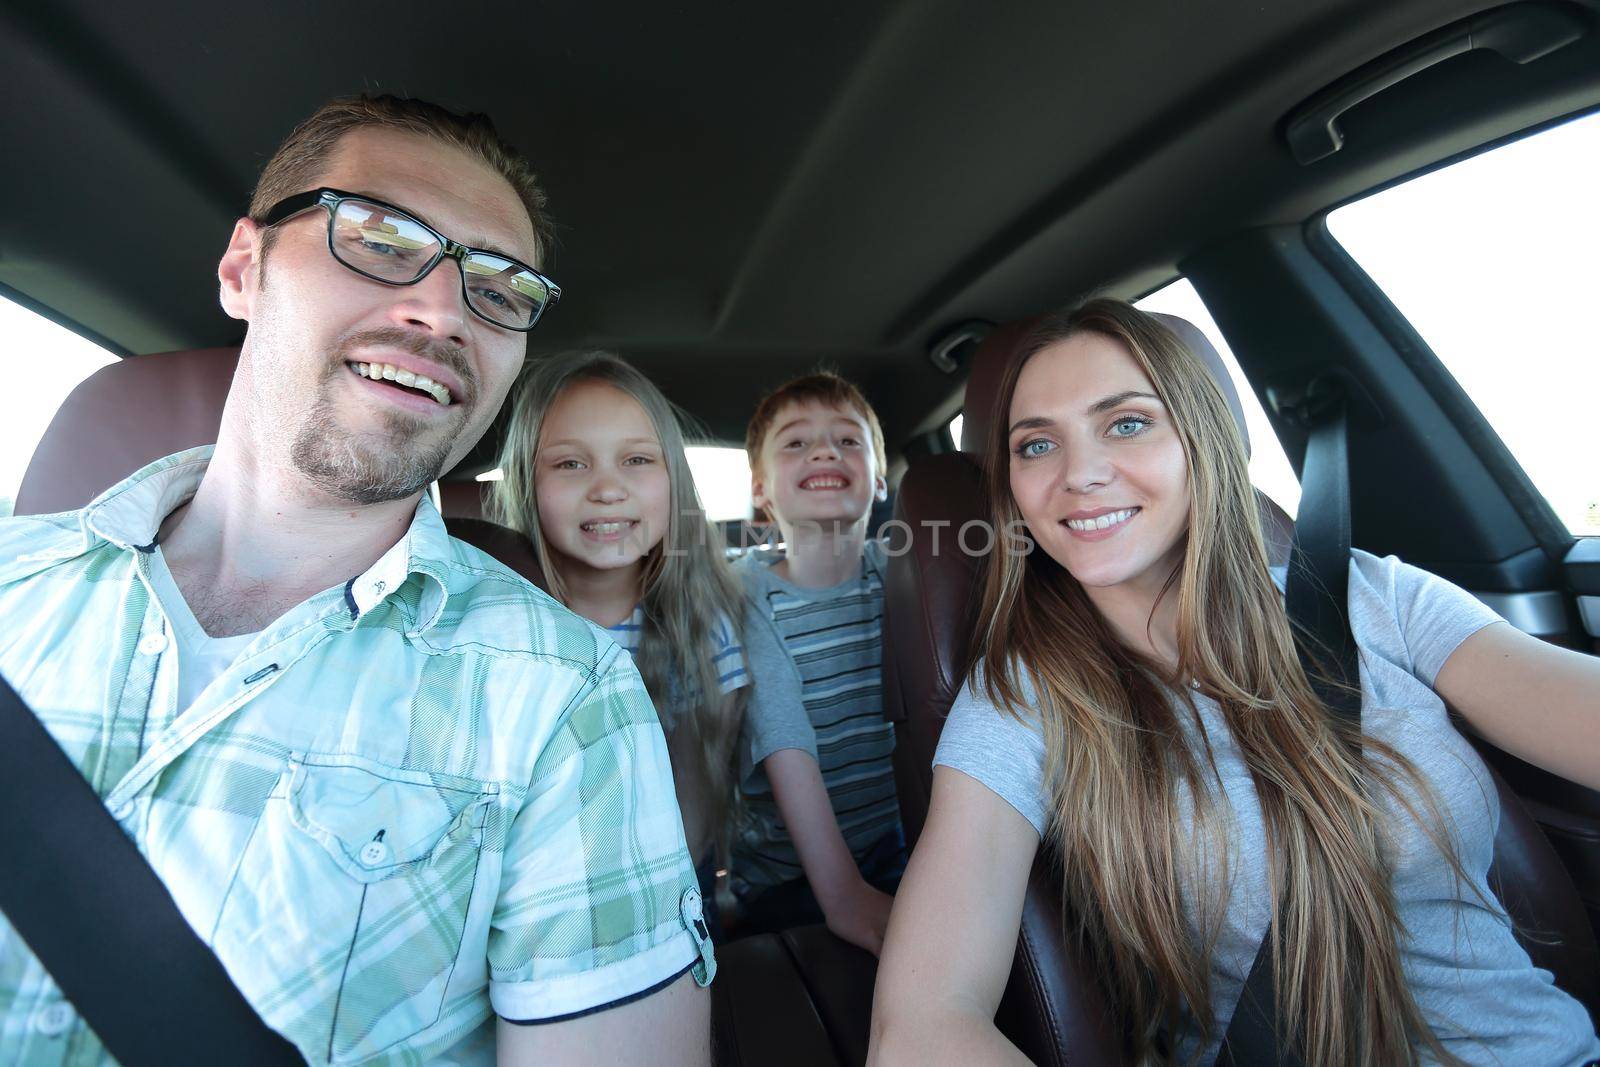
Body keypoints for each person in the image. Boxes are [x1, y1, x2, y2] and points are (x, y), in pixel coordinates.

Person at [0, 96, 713, 1066]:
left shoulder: (562, 698)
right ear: (244, 267)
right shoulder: (17, 581)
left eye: (500, 289)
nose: (441, 309)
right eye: (378, 238)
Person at [869, 299, 1600, 1064]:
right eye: (1036, 445)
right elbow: (920, 1024)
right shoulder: (1021, 699)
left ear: (1204, 438)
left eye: (1125, 423)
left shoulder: (1376, 599)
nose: (1078, 474)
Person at [490, 349, 754, 935]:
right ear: (527, 484)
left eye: (636, 459)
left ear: (674, 481)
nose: (608, 489)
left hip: (669, 890)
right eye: (570, 464)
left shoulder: (700, 628)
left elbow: (698, 796)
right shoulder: (500, 633)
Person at [730, 372, 905, 956]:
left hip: (895, 845)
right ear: (761, 489)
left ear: (879, 480)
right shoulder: (743, 592)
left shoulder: (901, 577)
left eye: (848, 441)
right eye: (797, 443)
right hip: (786, 872)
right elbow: (781, 725)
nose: (826, 450)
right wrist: (841, 891)